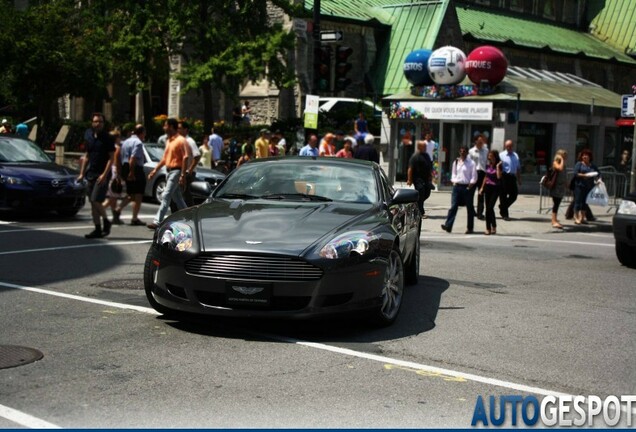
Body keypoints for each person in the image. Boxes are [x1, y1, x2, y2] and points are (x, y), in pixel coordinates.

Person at [147, 118, 192, 230]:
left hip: (176, 171)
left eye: (165, 125)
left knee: (166, 195)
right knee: (177, 198)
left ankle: (157, 221)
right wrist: (154, 170)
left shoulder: (181, 140)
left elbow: (186, 157)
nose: (164, 128)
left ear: (171, 127)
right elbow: (164, 159)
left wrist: (182, 175)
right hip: (169, 171)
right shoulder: (169, 141)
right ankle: (190, 217)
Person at [77, 113, 115, 239]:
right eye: (95, 121)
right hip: (90, 174)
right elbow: (87, 155)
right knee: (93, 203)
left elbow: (111, 158)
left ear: (103, 124)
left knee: (95, 200)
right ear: (92, 123)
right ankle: (98, 228)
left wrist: (104, 175)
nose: (97, 124)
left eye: (100, 122)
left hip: (102, 175)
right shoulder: (88, 135)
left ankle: (106, 221)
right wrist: (82, 173)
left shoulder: (108, 138)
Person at [441, 146, 477, 234]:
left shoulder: (471, 163)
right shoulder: (456, 162)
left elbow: (474, 176)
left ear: (467, 152)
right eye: (461, 151)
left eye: (464, 151)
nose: (462, 153)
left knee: (469, 208)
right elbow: (453, 173)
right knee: (453, 206)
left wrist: (470, 185)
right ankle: (448, 226)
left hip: (467, 187)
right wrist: (454, 181)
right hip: (457, 187)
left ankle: (470, 228)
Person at [116, 124, 147, 226]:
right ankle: (134, 218)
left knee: (131, 194)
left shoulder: (125, 142)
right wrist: (132, 172)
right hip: (135, 169)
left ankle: (118, 209)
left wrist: (120, 172)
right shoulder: (138, 142)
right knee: (138, 194)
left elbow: (119, 156)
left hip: (125, 167)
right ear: (142, 133)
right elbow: (133, 158)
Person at [103, 128, 126, 224]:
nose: (120, 139)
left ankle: (115, 217)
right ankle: (99, 209)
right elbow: (116, 162)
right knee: (113, 196)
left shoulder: (107, 146)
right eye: (119, 137)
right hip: (114, 172)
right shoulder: (117, 148)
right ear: (116, 138)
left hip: (110, 172)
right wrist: (118, 175)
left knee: (113, 196)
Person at [572, 149, 599, 225]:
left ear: (590, 157)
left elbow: (598, 173)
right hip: (579, 186)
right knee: (578, 201)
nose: (584, 156)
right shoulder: (579, 164)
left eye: (586, 155)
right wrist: (584, 175)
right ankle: (576, 217)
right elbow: (575, 173)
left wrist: (599, 180)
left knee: (585, 202)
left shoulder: (592, 165)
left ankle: (582, 218)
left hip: (589, 186)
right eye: (583, 155)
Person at [478, 150, 502, 235]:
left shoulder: (499, 165)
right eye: (489, 155)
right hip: (487, 187)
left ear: (494, 156)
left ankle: (494, 226)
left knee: (490, 207)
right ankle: (488, 228)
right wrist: (481, 188)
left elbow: (499, 177)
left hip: (495, 188)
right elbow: (486, 176)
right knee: (488, 208)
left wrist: (498, 167)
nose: (489, 157)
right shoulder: (488, 165)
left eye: (490, 155)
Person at [407, 140, 432, 217]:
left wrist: (430, 176)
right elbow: (410, 169)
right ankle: (420, 213)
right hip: (418, 179)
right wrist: (409, 179)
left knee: (427, 192)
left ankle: (415, 205)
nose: (425, 147)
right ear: (419, 147)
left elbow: (429, 166)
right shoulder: (415, 156)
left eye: (425, 146)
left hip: (426, 179)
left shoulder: (426, 155)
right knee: (421, 193)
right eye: (424, 146)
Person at [178, 121, 201, 207]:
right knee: (180, 195)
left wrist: (190, 170)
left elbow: (197, 156)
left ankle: (189, 214)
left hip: (188, 173)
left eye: (180, 128)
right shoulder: (180, 140)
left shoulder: (190, 141)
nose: (178, 130)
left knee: (186, 195)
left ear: (186, 130)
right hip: (182, 172)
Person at [499, 139, 521, 221]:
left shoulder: (516, 155)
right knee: (503, 196)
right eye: (507, 146)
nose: (509, 147)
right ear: (505, 146)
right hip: (504, 177)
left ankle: (502, 207)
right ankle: (505, 214)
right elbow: (498, 167)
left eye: (511, 146)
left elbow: (518, 168)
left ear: (513, 146)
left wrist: (519, 179)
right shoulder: (501, 155)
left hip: (512, 177)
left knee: (514, 195)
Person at [469, 133, 489, 220]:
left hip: (483, 174)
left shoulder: (486, 151)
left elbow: (488, 163)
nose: (481, 142)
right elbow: (469, 164)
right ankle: (472, 211)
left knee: (481, 194)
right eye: (479, 141)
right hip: (474, 173)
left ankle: (480, 213)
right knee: (470, 194)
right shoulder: (471, 151)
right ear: (476, 141)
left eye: (482, 141)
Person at [549, 149, 568, 229]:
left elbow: (563, 174)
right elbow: (559, 169)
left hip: (561, 187)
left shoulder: (563, 164)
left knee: (558, 203)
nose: (565, 158)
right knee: (556, 204)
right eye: (564, 156)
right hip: (556, 187)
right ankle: (553, 221)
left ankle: (555, 219)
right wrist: (562, 159)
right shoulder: (556, 163)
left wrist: (567, 184)